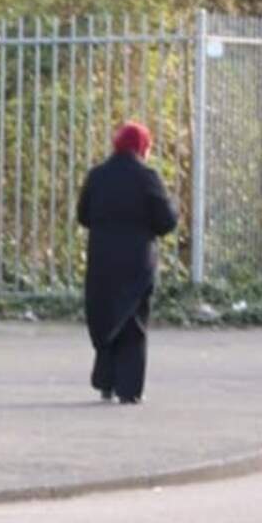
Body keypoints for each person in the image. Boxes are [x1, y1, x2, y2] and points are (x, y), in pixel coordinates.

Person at [76, 120, 178, 405]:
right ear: (143, 147)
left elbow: (83, 215)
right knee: (132, 321)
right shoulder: (148, 177)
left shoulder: (97, 176)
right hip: (137, 261)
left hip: (102, 259)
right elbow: (166, 221)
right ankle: (129, 389)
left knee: (105, 317)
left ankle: (106, 382)